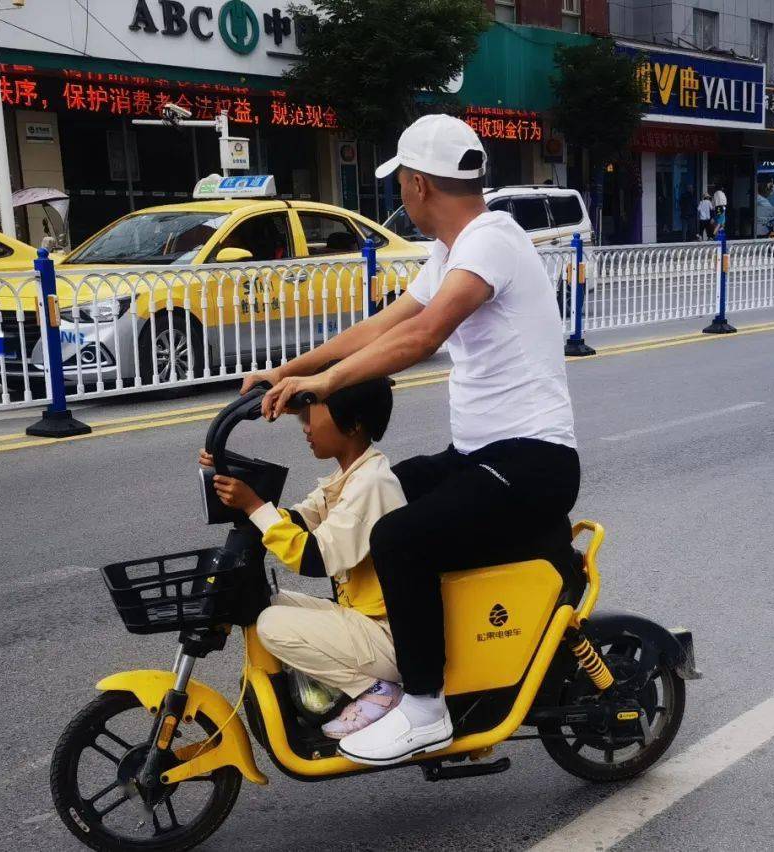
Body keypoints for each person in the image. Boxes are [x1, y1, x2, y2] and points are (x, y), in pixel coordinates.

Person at [244, 114, 580, 765]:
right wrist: (291, 371)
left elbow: (420, 339)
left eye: (400, 181)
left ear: (419, 183)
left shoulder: (492, 240)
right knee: (384, 488)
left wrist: (326, 385)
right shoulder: (454, 250)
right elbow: (382, 326)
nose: (400, 192)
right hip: (483, 458)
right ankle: (388, 653)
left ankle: (425, 708)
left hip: (531, 464)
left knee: (399, 538)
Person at [201, 374, 407, 739]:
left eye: (313, 415)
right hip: (364, 620)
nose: (306, 427)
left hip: (388, 635)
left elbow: (314, 557)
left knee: (271, 626)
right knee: (270, 604)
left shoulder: (372, 484)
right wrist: (235, 484)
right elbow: (298, 520)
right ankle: (345, 685)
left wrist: (253, 505)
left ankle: (376, 691)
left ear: (354, 424)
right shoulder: (351, 475)